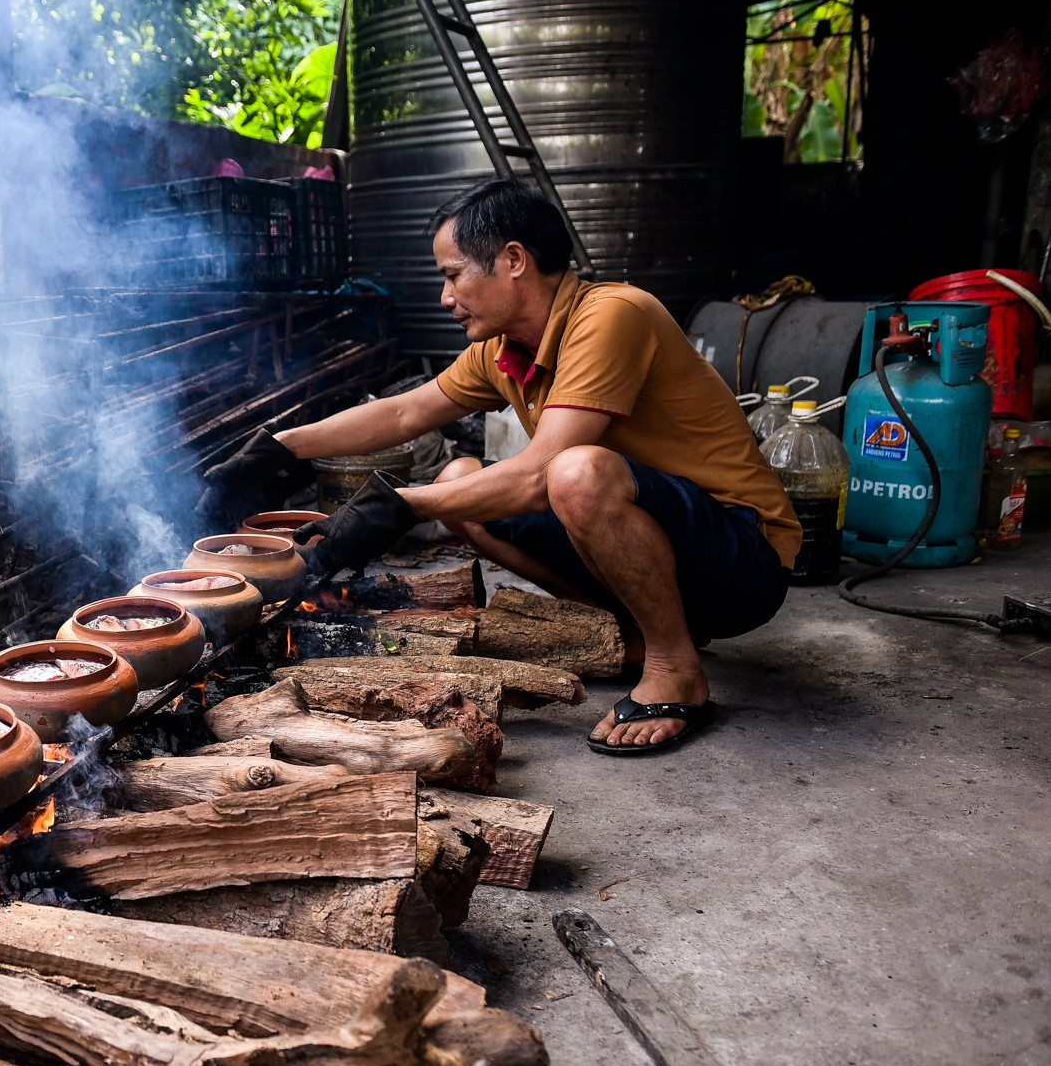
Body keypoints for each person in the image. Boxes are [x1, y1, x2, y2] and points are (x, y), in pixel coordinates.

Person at [199, 179, 799, 756]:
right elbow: (408, 411)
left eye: (453, 275)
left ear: (513, 259)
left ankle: (676, 669)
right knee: (457, 482)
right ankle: (640, 632)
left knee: (574, 474)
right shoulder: (503, 351)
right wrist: (279, 446)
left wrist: (395, 507)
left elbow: (540, 475)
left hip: (743, 556)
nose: (445, 296)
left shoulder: (613, 314)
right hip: (668, 550)